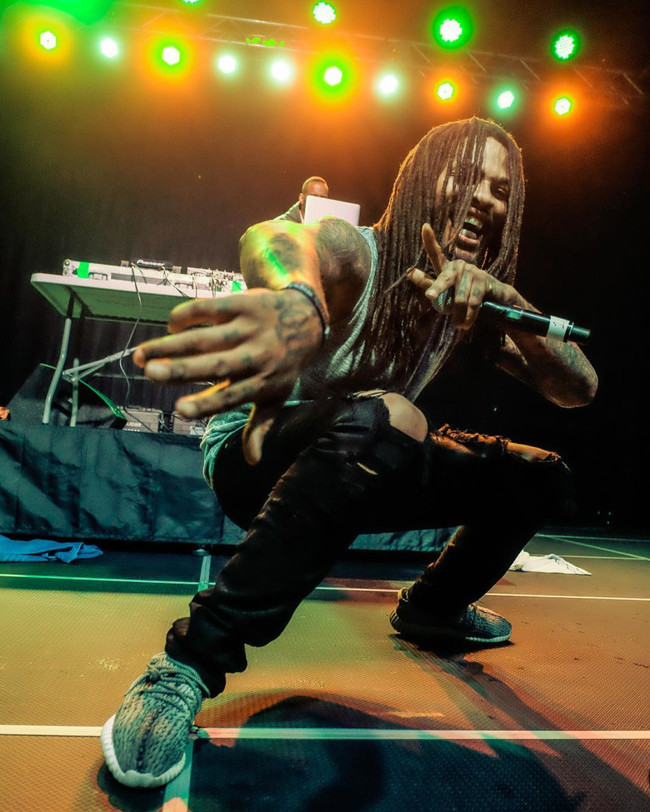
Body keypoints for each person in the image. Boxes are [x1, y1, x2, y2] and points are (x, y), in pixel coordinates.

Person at [101, 117, 598, 788]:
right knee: (393, 417)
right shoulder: (357, 252)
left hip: (365, 459)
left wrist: (507, 302)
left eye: (501, 190)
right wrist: (299, 297)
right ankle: (187, 665)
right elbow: (269, 237)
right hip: (254, 460)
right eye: (467, 176)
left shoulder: (469, 305)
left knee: (538, 477)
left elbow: (578, 388)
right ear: (421, 181)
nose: (486, 198)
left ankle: (433, 609)